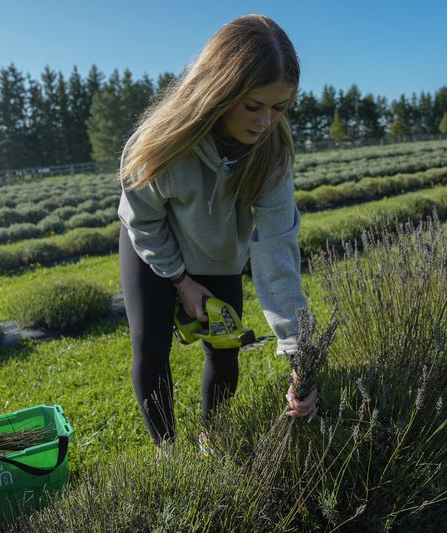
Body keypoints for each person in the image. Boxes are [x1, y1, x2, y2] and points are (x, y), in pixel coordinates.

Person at [117, 14, 317, 450]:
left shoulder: (273, 154)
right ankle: (167, 451)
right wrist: (179, 281)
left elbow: (277, 255)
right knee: (150, 346)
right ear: (220, 90)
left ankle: (213, 442)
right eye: (253, 106)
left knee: (224, 354)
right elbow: (143, 219)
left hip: (220, 252)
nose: (266, 122)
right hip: (154, 246)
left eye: (278, 108)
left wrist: (301, 353)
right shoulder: (162, 143)